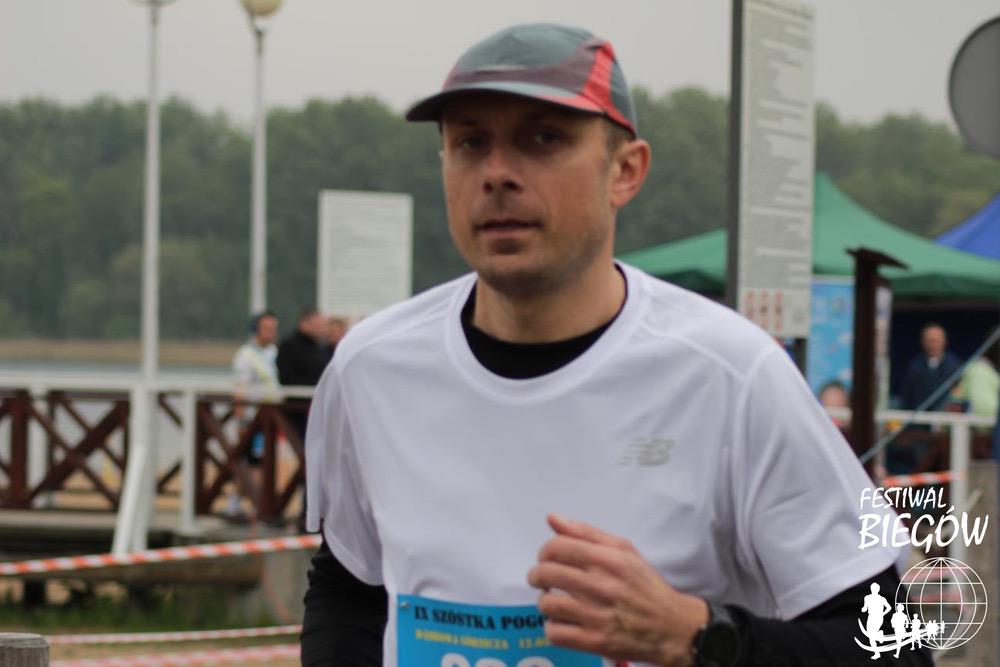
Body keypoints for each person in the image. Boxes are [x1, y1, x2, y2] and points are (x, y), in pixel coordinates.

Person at [302, 23, 930, 667]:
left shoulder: (734, 377)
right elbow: (350, 589)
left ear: (625, 171)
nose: (497, 174)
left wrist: (700, 636)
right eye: (470, 142)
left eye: (543, 139)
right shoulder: (370, 368)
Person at [229, 310, 280, 519]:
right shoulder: (246, 355)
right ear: (256, 329)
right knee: (250, 462)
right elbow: (240, 389)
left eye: (273, 328)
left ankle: (255, 503)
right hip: (253, 418)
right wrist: (241, 420)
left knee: (263, 462)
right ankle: (245, 503)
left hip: (273, 418)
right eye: (266, 328)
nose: (271, 332)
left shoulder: (275, 353)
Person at [277, 308, 332, 444]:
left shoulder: (321, 347)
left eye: (322, 325)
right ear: (304, 323)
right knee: (302, 445)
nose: (321, 329)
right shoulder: (289, 345)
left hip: (317, 406)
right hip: (297, 408)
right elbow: (286, 378)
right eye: (317, 324)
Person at [900, 323, 961, 412]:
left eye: (936, 341)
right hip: (920, 415)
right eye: (929, 341)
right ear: (923, 342)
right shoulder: (914, 366)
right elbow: (908, 396)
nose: (933, 345)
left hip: (945, 417)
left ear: (944, 341)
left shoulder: (955, 366)